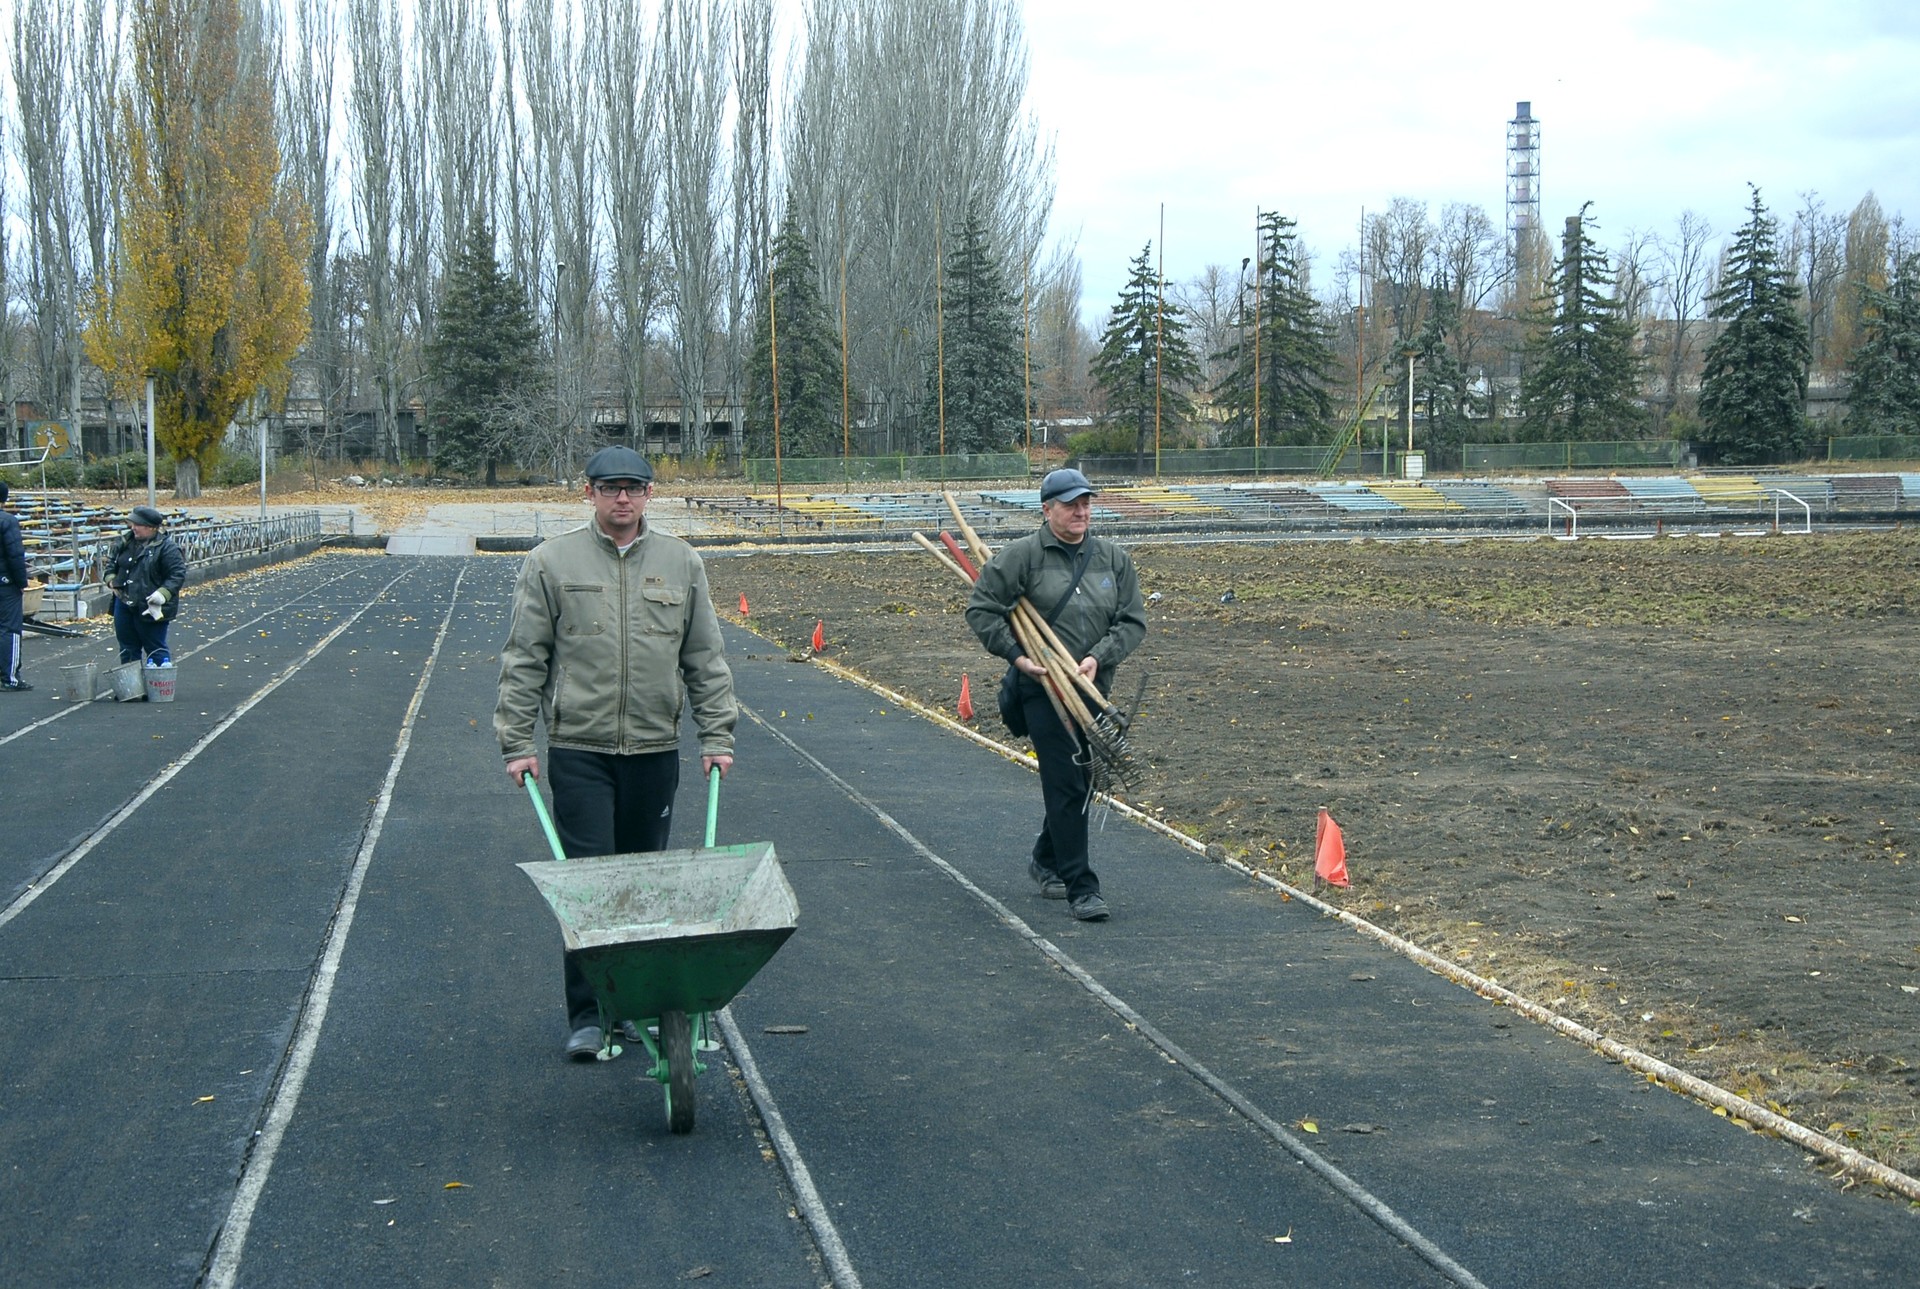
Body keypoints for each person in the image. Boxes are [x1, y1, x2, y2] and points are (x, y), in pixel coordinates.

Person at [495, 445, 738, 1062]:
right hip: (581, 750)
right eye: (610, 488)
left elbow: (704, 659)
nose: (622, 498)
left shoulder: (682, 564)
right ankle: (590, 1015)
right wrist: (517, 742)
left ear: (650, 494)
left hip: (656, 749)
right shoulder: (552, 563)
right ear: (590, 493)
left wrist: (717, 736)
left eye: (633, 487)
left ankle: (645, 1004)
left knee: (642, 887)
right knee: (590, 886)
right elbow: (526, 658)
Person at [966, 468, 1146, 922]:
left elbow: (1131, 622)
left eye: (1086, 503)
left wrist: (1098, 658)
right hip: (1041, 688)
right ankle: (1082, 888)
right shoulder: (1022, 557)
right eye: (1070, 505)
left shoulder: (1113, 559)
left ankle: (1047, 860)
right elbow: (983, 609)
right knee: (1068, 783)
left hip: (1090, 689)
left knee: (1079, 784)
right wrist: (1015, 656)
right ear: (1047, 510)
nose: (1081, 512)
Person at [107, 505, 187, 671]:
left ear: (151, 528)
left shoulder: (168, 548)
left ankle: (160, 686)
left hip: (150, 605)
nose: (133, 528)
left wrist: (162, 594)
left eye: (138, 525)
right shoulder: (125, 542)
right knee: (127, 647)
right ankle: (132, 689)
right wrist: (111, 580)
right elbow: (111, 563)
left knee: (155, 647)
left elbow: (177, 574)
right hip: (123, 602)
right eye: (132, 523)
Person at [0, 481, 30, 692]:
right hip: (4, 582)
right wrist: (21, 582)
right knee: (10, 629)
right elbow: (15, 555)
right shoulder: (7, 521)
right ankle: (10, 678)